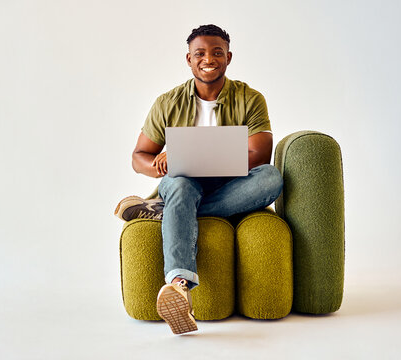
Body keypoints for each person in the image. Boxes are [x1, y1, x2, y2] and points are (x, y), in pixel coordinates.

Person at [115, 24, 283, 335]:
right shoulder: (168, 101)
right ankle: (180, 286)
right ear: (189, 59)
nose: (209, 58)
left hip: (232, 184)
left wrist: (200, 156)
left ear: (228, 57)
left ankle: (164, 211)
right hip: (181, 181)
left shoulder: (250, 98)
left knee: (271, 178)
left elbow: (259, 155)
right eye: (200, 53)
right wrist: (159, 165)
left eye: (217, 52)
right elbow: (138, 156)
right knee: (181, 185)